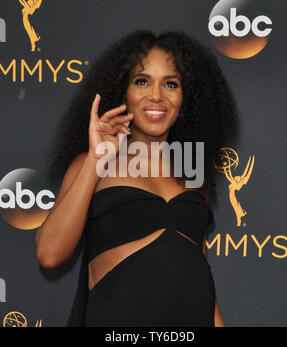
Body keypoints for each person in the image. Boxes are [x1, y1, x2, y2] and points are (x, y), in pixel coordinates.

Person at [36, 30, 240, 327]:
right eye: (142, 81)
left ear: (186, 98)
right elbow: (50, 254)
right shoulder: (93, 164)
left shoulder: (193, 172)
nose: (156, 95)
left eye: (171, 83)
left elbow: (199, 274)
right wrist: (96, 160)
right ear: (124, 92)